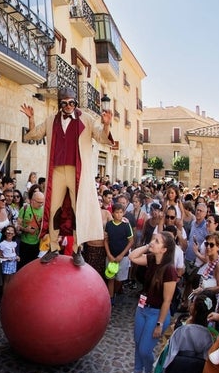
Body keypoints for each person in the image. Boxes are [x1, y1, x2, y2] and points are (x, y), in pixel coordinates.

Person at [19, 87, 113, 266]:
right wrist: (30, 119)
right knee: (54, 210)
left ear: (75, 103)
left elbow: (102, 137)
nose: (69, 106)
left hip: (77, 172)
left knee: (78, 210)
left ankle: (77, 249)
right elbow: (35, 134)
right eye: (65, 103)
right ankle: (53, 248)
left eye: (72, 102)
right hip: (56, 172)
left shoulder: (87, 119)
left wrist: (107, 123)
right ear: (60, 104)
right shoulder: (51, 119)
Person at [122, 232, 178, 373]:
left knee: (145, 348)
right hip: (142, 309)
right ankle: (136, 371)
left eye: (157, 241)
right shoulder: (151, 259)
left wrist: (160, 323)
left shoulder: (170, 271)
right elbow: (132, 256)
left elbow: (167, 300)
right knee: (138, 343)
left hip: (156, 313)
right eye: (154, 239)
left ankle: (148, 371)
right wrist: (147, 246)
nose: (153, 242)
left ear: (164, 249)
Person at [104, 202, 134, 305]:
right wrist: (108, 254)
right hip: (111, 256)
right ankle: (110, 297)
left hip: (123, 257)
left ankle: (117, 292)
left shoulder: (126, 225)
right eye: (117, 212)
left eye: (121, 212)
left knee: (119, 279)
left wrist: (122, 255)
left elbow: (131, 241)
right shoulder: (109, 225)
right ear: (112, 213)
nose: (119, 215)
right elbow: (106, 240)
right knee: (110, 278)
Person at [17, 191, 44, 268]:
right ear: (32, 200)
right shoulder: (25, 208)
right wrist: (26, 230)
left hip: (37, 243)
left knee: (33, 266)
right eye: (39, 202)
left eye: (42, 202)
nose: (41, 204)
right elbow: (18, 225)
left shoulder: (43, 210)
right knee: (22, 265)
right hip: (24, 243)